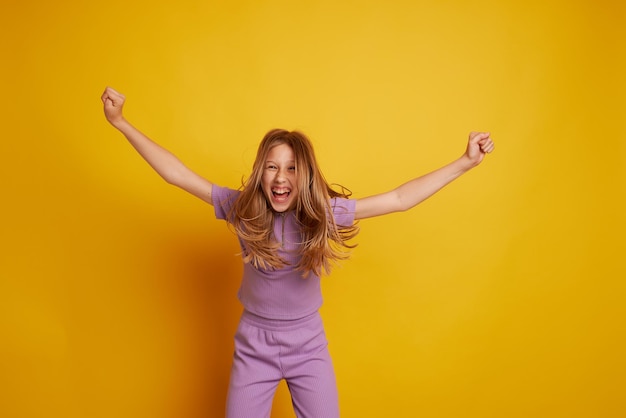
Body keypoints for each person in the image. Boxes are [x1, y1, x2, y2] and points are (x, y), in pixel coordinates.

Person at [101, 86, 495, 417]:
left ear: (303, 176)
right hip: (254, 344)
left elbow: (399, 198)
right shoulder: (242, 209)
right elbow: (178, 174)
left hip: (308, 344)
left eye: (291, 169)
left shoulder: (323, 213)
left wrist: (464, 163)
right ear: (261, 173)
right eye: (272, 167)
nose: (280, 177)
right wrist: (121, 123)